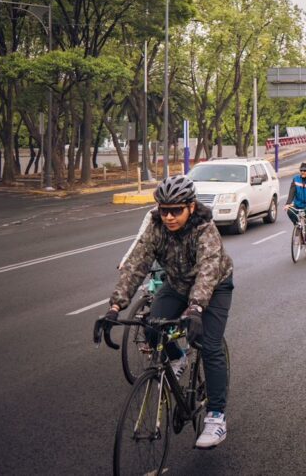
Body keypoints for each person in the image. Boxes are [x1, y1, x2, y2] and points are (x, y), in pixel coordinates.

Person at [96, 175, 234, 449]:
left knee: (210, 345)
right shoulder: (157, 227)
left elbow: (208, 271)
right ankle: (178, 357)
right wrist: (115, 307)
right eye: (164, 210)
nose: (169, 216)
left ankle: (216, 418)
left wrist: (196, 308)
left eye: (176, 210)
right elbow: (137, 265)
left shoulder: (205, 229)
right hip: (177, 284)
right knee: (151, 326)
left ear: (191, 207)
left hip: (215, 286)